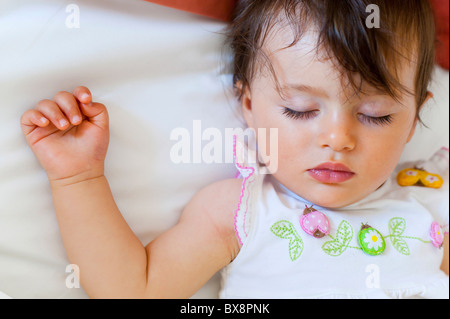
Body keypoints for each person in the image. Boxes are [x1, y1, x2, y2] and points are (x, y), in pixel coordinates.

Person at [20, 0, 448, 298]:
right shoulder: (242, 211)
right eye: (300, 109)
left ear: (414, 120)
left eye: (375, 115)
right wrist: (78, 177)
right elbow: (132, 289)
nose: (338, 139)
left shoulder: (430, 202)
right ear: (248, 105)